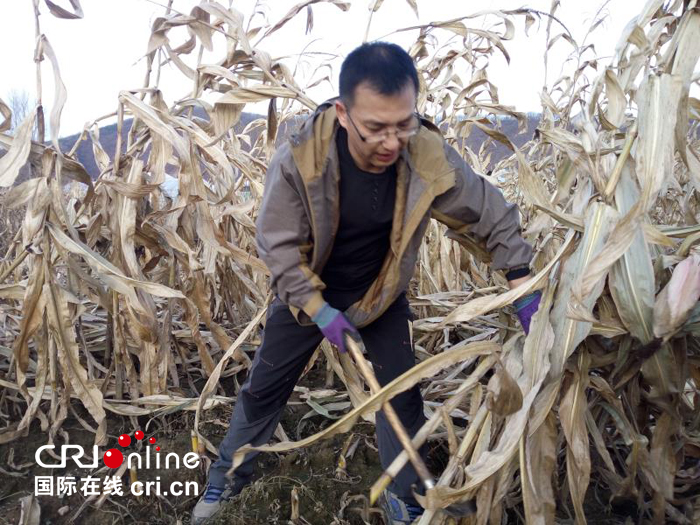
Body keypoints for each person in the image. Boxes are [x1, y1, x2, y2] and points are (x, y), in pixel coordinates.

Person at [192, 41, 540, 525]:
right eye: (376, 127)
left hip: (380, 293)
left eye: (404, 124)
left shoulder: (424, 154)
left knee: (401, 394)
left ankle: (405, 497)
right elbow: (279, 246)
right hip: (307, 297)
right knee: (264, 389)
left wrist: (522, 278)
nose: (392, 142)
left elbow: (487, 210)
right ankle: (225, 481)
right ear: (343, 113)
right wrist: (318, 310)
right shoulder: (303, 157)